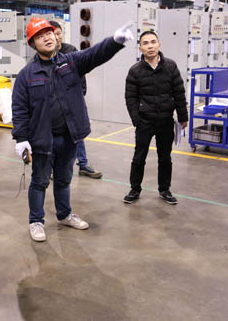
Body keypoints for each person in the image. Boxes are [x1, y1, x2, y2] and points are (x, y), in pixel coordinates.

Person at [12, 17, 135, 242]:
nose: (47, 38)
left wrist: (115, 41)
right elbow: (19, 109)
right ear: (32, 44)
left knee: (63, 179)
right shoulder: (26, 75)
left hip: (69, 136)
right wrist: (21, 138)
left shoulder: (71, 62)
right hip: (42, 140)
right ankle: (36, 221)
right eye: (40, 36)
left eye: (49, 33)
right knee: (40, 181)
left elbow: (95, 54)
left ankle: (64, 214)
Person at [123, 30, 188, 205]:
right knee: (139, 157)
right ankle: (135, 189)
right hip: (145, 121)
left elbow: (179, 92)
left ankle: (164, 190)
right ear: (140, 48)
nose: (150, 46)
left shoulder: (170, 66)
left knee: (165, 158)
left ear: (159, 45)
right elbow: (130, 97)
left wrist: (183, 117)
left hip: (166, 120)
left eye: (153, 42)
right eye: (145, 43)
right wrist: (136, 120)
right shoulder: (135, 71)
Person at [50, 20, 102, 179]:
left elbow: (80, 74)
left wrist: (81, 92)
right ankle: (50, 168)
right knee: (52, 136)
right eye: (53, 34)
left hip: (72, 101)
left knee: (77, 133)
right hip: (54, 106)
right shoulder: (44, 55)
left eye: (58, 33)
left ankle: (83, 165)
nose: (56, 37)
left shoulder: (70, 50)